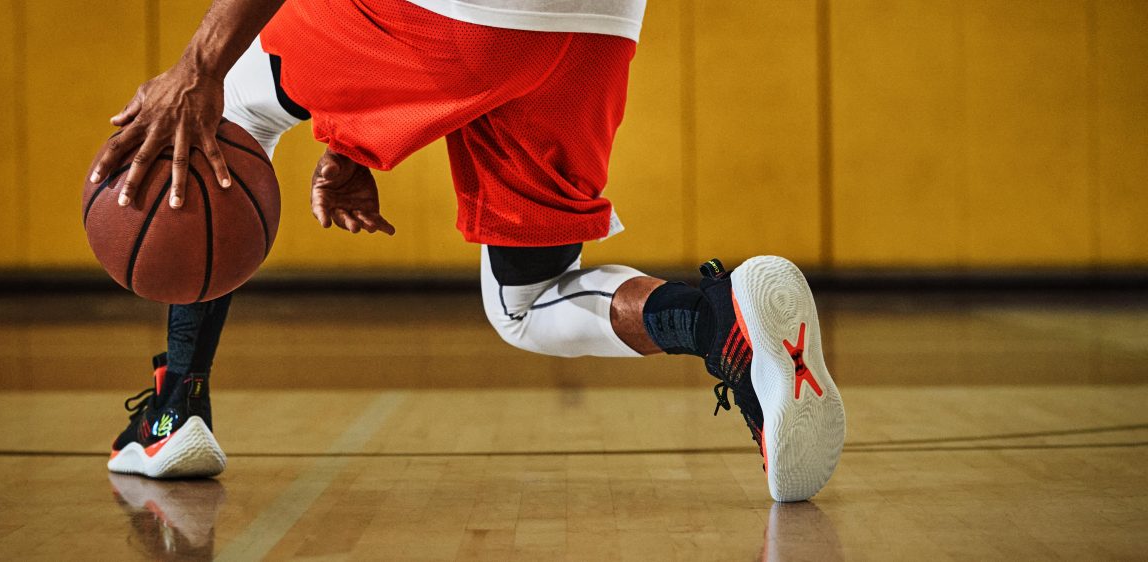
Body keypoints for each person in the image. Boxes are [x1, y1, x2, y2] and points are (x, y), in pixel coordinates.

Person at [94, 0, 845, 502]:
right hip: (594, 22)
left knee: (229, 109)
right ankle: (720, 320)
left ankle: (173, 411)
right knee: (530, 302)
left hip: (458, 15)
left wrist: (197, 69)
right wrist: (355, 135)